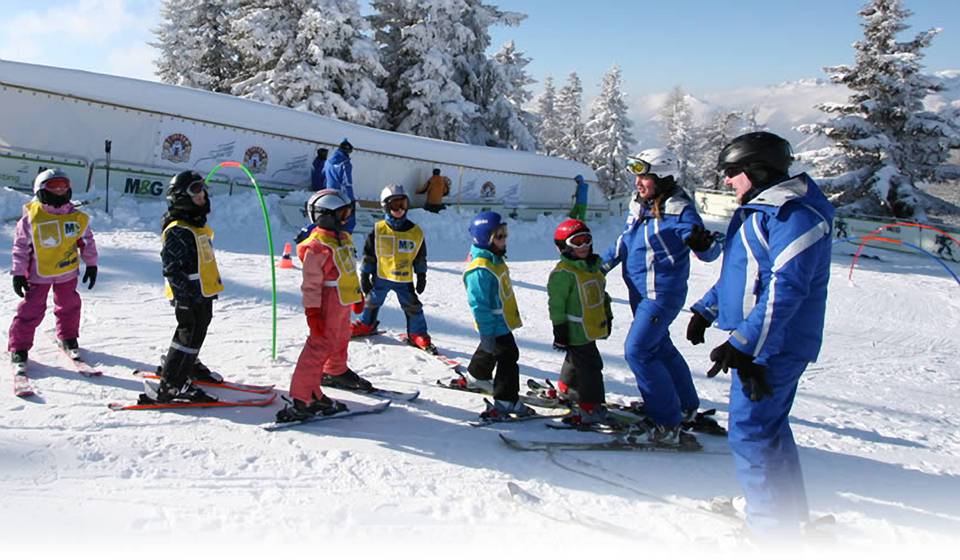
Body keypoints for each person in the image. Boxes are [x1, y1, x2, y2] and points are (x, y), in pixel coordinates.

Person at [686, 131, 834, 539]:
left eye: (733, 172)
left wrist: (745, 344)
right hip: (765, 341)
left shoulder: (794, 215)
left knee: (750, 432)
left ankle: (771, 532)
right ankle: (787, 517)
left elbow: (785, 288)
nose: (728, 180)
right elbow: (744, 274)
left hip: (776, 345)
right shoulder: (762, 210)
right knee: (769, 429)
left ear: (758, 170)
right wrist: (707, 308)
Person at [601, 148, 721, 448]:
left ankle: (666, 422)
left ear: (664, 178)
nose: (639, 182)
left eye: (645, 176)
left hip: (661, 294)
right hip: (640, 293)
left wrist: (701, 243)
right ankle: (683, 405)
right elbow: (625, 242)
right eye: (637, 176)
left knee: (638, 350)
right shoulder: (640, 204)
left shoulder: (679, 209)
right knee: (661, 348)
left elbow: (708, 252)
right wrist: (598, 266)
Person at [277, 189, 369, 422]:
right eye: (343, 214)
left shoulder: (342, 238)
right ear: (327, 215)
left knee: (339, 340)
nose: (347, 218)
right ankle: (301, 398)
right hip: (327, 302)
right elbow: (310, 285)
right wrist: (313, 313)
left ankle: (316, 390)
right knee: (318, 347)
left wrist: (357, 295)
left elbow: (348, 269)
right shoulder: (316, 247)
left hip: (343, 302)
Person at [144, 171, 223, 403]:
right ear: (180, 196)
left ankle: (188, 365)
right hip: (188, 295)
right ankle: (172, 385)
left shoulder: (195, 224)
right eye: (196, 190)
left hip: (203, 292)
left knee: (199, 329)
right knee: (188, 333)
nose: (203, 195)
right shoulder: (179, 229)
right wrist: (183, 299)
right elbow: (172, 268)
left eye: (203, 189)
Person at [8, 169, 98, 370]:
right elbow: (20, 248)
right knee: (31, 310)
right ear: (41, 190)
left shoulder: (77, 218)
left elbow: (86, 241)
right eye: (53, 187)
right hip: (38, 274)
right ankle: (19, 348)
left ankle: (68, 337)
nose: (59, 191)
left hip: (67, 272)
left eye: (63, 187)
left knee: (69, 306)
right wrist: (18, 273)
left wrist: (91, 264)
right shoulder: (31, 219)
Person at [463, 211, 534, 420]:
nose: (504, 240)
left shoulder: (493, 259)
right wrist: (486, 332)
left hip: (500, 321)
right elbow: (479, 306)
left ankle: (477, 374)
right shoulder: (480, 270)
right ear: (485, 239)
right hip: (494, 323)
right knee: (508, 356)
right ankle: (506, 400)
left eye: (505, 235)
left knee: (492, 350)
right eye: (499, 236)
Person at [351, 184, 434, 351]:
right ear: (385, 207)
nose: (399, 209)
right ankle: (367, 323)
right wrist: (365, 275)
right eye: (394, 205)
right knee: (372, 302)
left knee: (412, 306)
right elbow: (369, 255)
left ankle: (417, 333)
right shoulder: (378, 229)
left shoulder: (415, 232)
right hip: (382, 276)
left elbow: (420, 257)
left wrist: (421, 275)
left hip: (404, 279)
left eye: (402, 204)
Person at [548, 219, 613, 425]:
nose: (583, 246)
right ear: (565, 246)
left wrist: (607, 316)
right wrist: (559, 329)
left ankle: (567, 387)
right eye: (577, 242)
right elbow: (556, 304)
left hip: (591, 327)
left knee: (576, 359)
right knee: (591, 366)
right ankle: (590, 407)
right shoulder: (563, 274)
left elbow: (603, 296)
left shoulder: (592, 268)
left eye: (587, 240)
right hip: (575, 329)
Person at [322, 139, 356, 232]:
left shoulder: (328, 161)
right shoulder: (345, 163)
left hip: (329, 194)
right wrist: (351, 200)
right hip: (341, 197)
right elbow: (347, 183)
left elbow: (323, 176)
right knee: (346, 224)